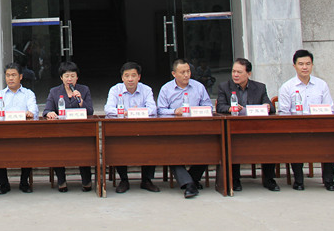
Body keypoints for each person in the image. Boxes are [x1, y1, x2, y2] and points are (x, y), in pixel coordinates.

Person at [215, 58, 279, 192]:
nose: (235, 75)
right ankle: (235, 180)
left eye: (239, 72)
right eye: (233, 71)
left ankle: (269, 179)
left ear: (249, 74)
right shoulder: (224, 87)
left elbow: (271, 107)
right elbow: (220, 107)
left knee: (269, 142)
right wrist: (230, 109)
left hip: (256, 128)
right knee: (232, 143)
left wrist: (267, 106)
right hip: (234, 129)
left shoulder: (260, 87)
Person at [278, 49, 334, 191]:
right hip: (296, 128)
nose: (304, 67)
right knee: (295, 142)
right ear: (294, 66)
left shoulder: (321, 85)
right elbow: (284, 112)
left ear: (312, 65)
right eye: (301, 64)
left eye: (308, 64)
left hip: (319, 127)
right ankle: (299, 180)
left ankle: (329, 180)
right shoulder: (287, 87)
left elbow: (329, 107)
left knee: (332, 141)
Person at [156, 59, 212, 198]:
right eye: (182, 72)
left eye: (188, 71)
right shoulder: (166, 89)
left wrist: (196, 111)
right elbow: (160, 110)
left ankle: (190, 180)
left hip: (197, 128)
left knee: (210, 148)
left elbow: (209, 107)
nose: (186, 75)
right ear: (174, 74)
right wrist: (174, 111)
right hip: (173, 130)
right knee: (169, 152)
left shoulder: (198, 87)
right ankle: (190, 184)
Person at [104, 61, 159, 194]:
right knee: (116, 145)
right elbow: (108, 109)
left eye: (133, 75)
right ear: (122, 78)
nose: (130, 79)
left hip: (144, 129)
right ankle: (124, 180)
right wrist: (125, 112)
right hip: (122, 130)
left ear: (139, 77)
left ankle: (146, 180)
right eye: (127, 76)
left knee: (152, 143)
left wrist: (138, 111)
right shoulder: (115, 90)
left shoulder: (146, 90)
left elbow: (153, 109)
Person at [0, 62, 38, 194]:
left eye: (13, 75)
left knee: (28, 149)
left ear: (20, 77)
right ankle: (3, 184)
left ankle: (24, 182)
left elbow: (34, 110)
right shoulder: (0, 94)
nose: (10, 78)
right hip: (4, 133)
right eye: (8, 75)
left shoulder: (28, 94)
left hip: (24, 133)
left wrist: (30, 113)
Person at [42, 61, 93, 192]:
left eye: (72, 76)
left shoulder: (84, 90)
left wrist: (81, 101)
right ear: (61, 78)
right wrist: (50, 113)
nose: (69, 79)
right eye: (66, 76)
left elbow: (90, 112)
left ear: (77, 77)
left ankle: (86, 180)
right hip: (60, 131)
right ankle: (61, 180)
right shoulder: (54, 92)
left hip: (80, 130)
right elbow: (46, 110)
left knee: (84, 148)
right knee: (57, 149)